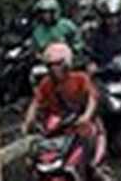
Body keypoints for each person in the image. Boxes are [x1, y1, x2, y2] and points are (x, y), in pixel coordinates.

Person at [22, 43, 101, 179]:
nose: (54, 69)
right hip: (55, 130)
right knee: (32, 161)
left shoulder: (80, 78)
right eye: (50, 65)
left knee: (90, 164)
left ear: (67, 63)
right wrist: (28, 122)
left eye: (58, 64)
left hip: (80, 126)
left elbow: (92, 98)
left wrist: (86, 116)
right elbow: (36, 103)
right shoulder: (46, 83)